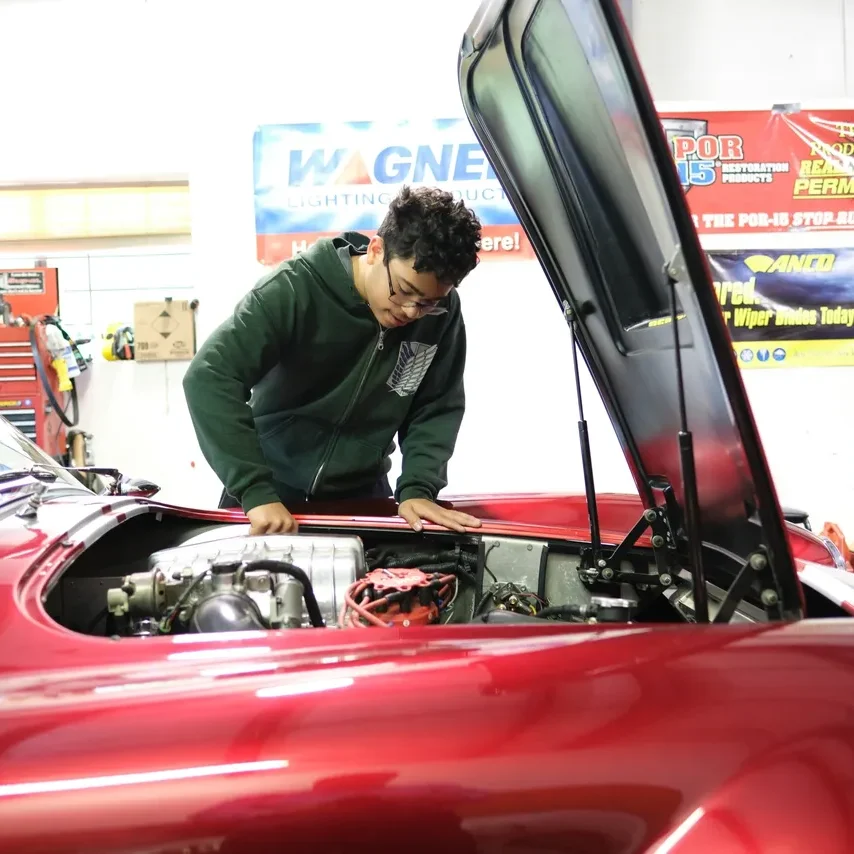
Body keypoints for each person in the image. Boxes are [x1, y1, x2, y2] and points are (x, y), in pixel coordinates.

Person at [183, 185, 483, 537]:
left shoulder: (441, 316)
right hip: (269, 498)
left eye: (428, 301)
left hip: (362, 500)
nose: (411, 311)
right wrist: (255, 491)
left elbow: (436, 405)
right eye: (403, 290)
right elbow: (209, 377)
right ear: (376, 250)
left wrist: (418, 488)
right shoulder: (294, 289)